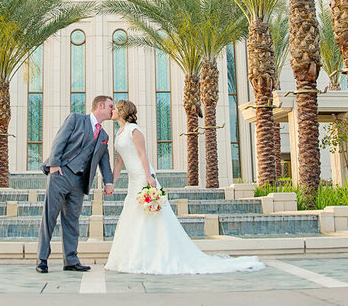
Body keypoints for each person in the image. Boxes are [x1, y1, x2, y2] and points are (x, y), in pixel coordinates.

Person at [105, 99, 264, 275]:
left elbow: (143, 154)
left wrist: (149, 177)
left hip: (143, 178)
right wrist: (111, 181)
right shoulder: (119, 133)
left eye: (114, 109)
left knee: (149, 218)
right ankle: (131, 257)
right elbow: (119, 161)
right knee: (132, 216)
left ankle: (153, 257)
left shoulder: (134, 130)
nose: (111, 111)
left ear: (121, 111)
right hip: (132, 181)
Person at [35, 94, 115, 273]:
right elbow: (59, 141)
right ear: (100, 106)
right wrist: (54, 165)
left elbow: (104, 161)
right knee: (49, 217)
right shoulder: (76, 119)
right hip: (61, 174)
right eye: (111, 106)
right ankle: (42, 259)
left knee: (72, 221)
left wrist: (108, 182)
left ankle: (70, 260)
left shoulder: (104, 135)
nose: (113, 110)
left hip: (80, 181)